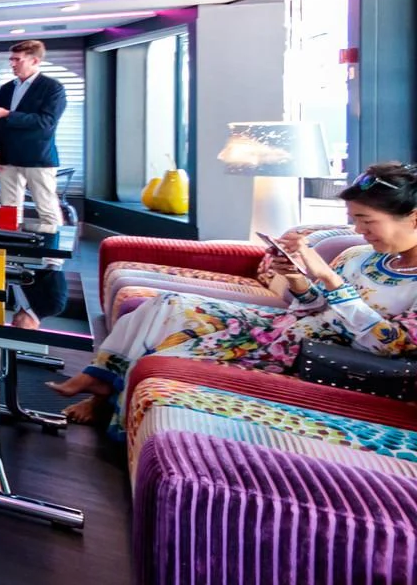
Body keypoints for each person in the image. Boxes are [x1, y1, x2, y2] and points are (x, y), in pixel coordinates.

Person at [50, 161, 417, 426]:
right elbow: (314, 306)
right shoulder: (358, 256)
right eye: (354, 220)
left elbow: (390, 347)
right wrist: (297, 278)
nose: (358, 230)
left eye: (367, 221)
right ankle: (101, 379)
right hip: (285, 326)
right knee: (167, 305)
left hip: (314, 354)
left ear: (413, 217)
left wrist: (329, 278)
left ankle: (107, 397)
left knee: (169, 348)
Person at [0, 39, 67, 238]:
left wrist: (8, 114)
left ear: (34, 61)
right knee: (8, 210)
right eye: (11, 59)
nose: (12, 64)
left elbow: (46, 122)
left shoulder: (52, 88)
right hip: (7, 157)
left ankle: (53, 254)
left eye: (17, 60)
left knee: (47, 208)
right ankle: (10, 249)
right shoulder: (6, 88)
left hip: (38, 158)